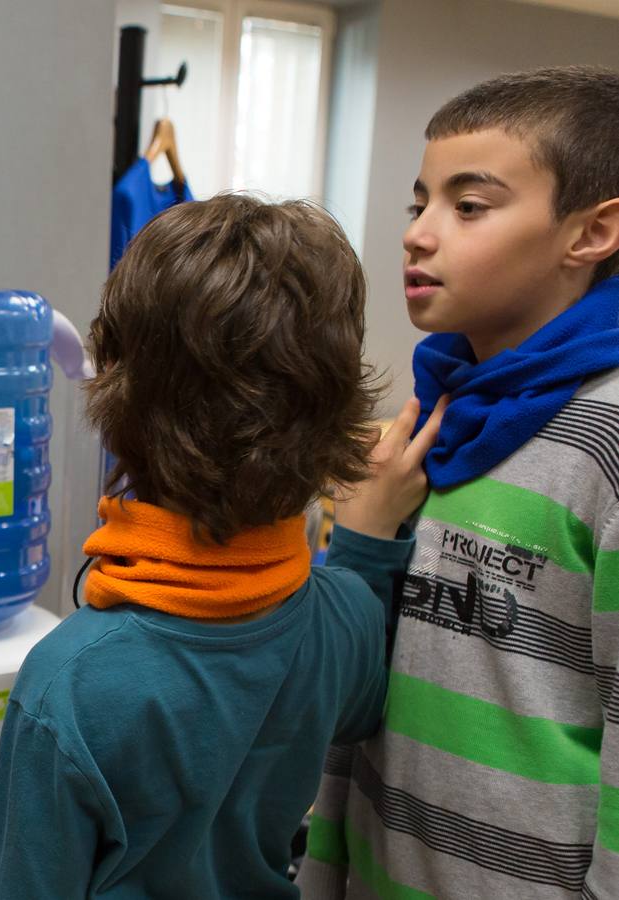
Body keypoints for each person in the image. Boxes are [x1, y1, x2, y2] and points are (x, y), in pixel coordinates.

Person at [0, 193, 415, 898]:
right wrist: (368, 543)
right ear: (335, 407)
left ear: (116, 389)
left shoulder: (71, 680)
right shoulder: (343, 620)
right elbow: (360, 699)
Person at [297, 66, 619, 899]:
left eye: (467, 207)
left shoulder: (605, 440)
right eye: (418, 204)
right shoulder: (431, 411)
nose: (417, 234)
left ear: (591, 233)